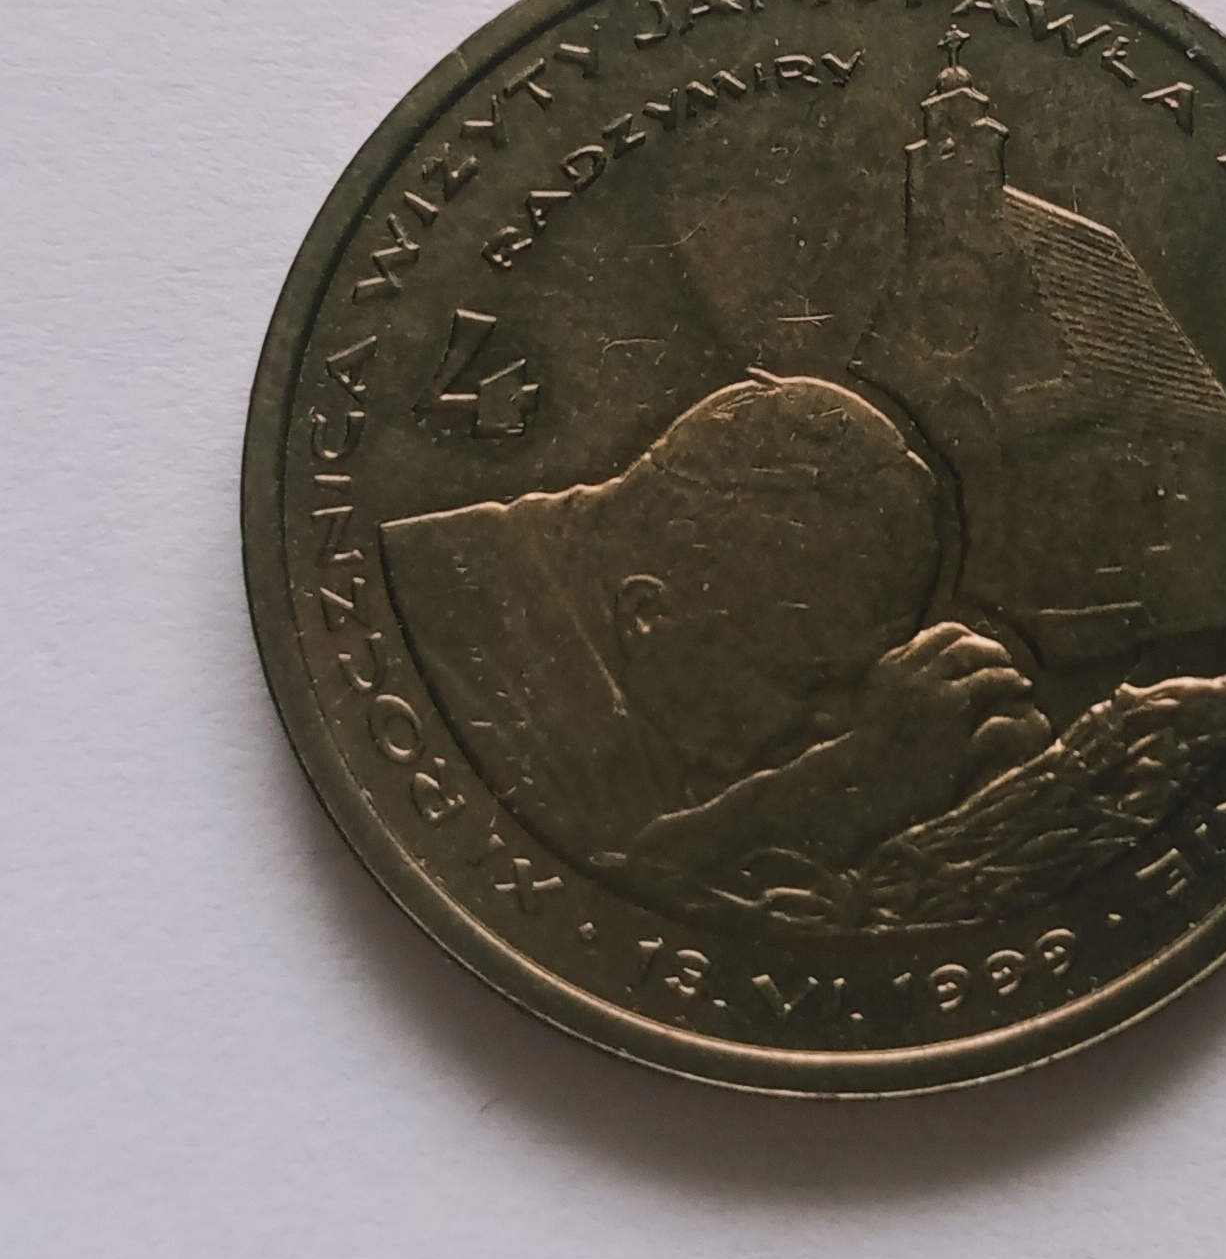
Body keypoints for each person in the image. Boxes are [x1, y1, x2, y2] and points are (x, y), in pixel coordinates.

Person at [380, 373, 1049, 902]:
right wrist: (852, 783)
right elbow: (599, 895)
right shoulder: (429, 661)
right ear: (646, 615)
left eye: (865, 679)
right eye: (809, 686)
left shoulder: (606, 622)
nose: (839, 724)